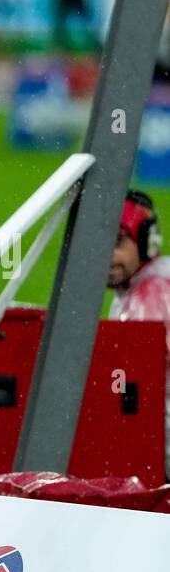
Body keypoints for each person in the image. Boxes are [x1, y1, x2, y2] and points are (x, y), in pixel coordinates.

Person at [108, 189, 170, 481]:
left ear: (147, 241)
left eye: (118, 242)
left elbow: (129, 398)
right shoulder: (142, 285)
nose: (107, 255)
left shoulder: (151, 296)